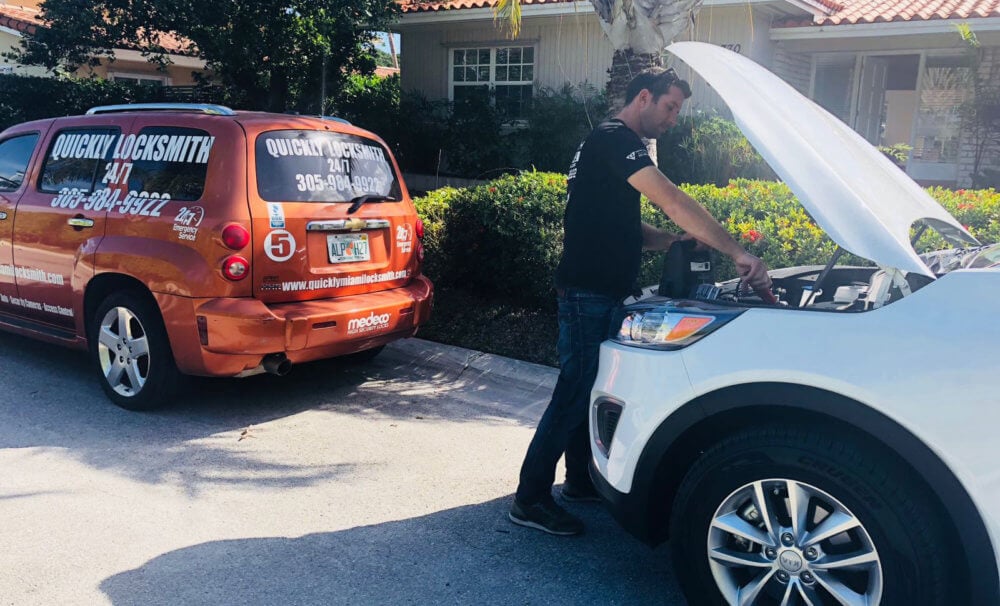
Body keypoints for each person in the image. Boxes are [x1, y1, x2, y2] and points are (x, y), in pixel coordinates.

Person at [508, 67, 771, 536]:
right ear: (644, 97)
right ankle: (529, 499)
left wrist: (674, 242)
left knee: (587, 389)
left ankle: (579, 481)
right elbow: (670, 198)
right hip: (587, 291)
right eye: (670, 107)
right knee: (572, 392)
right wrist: (737, 251)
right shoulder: (614, 137)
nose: (673, 119)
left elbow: (627, 229)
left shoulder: (606, 146)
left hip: (600, 290)